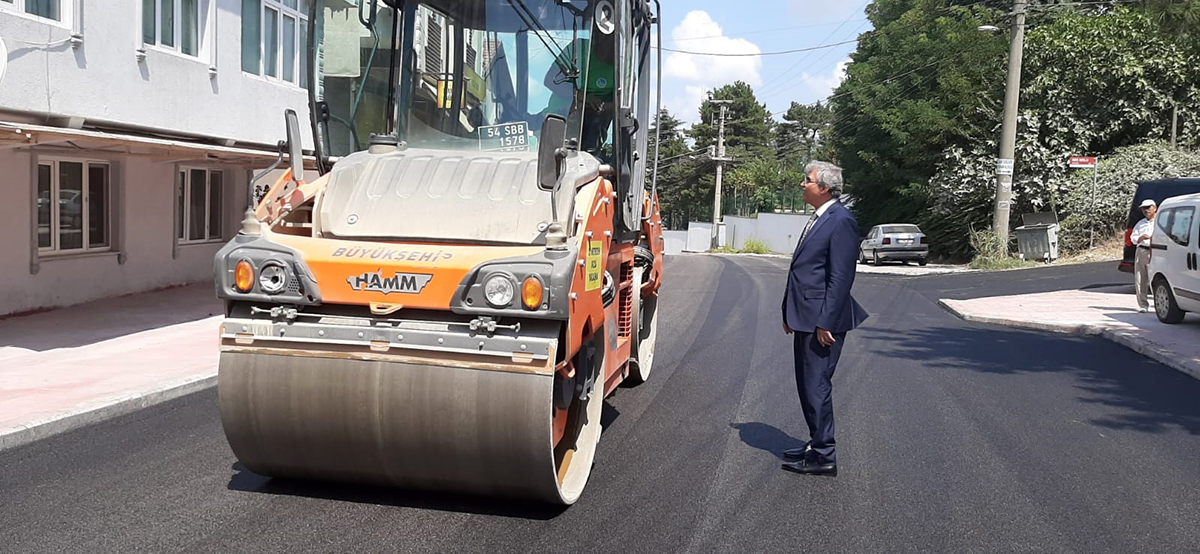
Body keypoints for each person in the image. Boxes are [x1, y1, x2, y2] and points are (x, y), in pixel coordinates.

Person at [780, 161, 869, 477]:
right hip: (805, 317)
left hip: (822, 322)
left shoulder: (841, 221)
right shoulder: (820, 218)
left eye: (808, 180)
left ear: (826, 188)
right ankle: (816, 441)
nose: (802, 184)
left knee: (816, 385)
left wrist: (826, 322)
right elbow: (803, 272)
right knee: (807, 384)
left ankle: (823, 454)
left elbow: (841, 276)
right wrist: (788, 312)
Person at [1132, 198, 1158, 313]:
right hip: (1141, 250)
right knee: (1140, 278)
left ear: (1154, 208)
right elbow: (1133, 238)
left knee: (1156, 278)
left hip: (1156, 251)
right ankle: (1143, 304)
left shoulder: (1160, 221)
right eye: (1143, 208)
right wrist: (1140, 238)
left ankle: (1159, 303)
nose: (1145, 210)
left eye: (1148, 208)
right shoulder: (1140, 223)